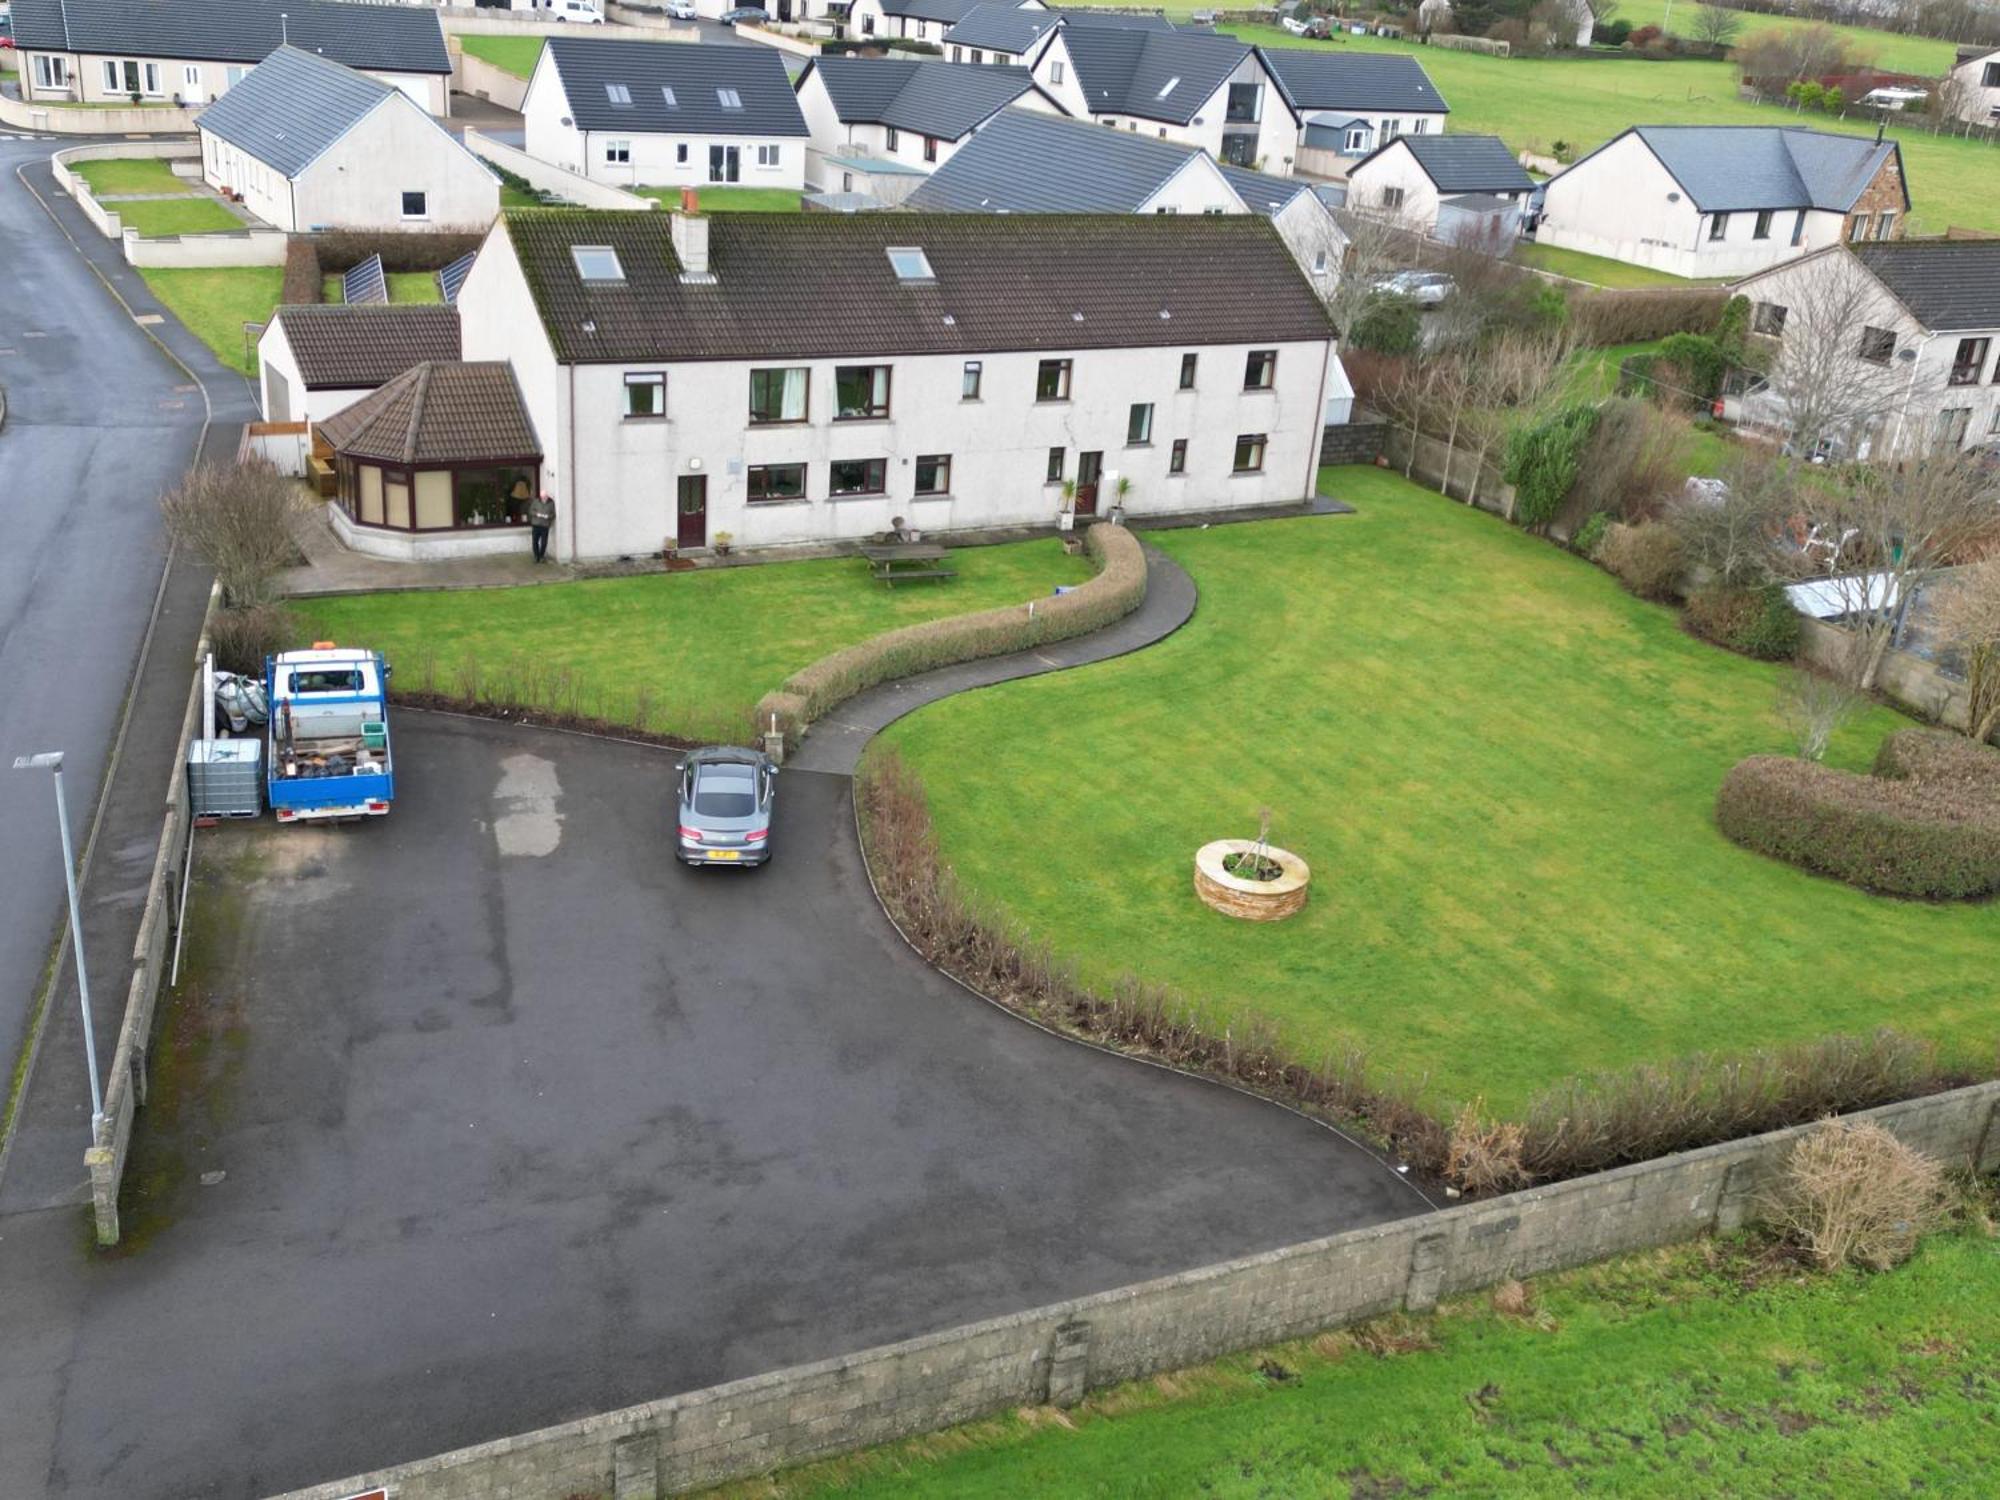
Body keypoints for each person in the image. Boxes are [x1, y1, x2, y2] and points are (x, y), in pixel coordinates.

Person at [528, 490, 556, 564]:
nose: (543, 498)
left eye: (545, 497)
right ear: (540, 496)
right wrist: (537, 514)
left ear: (547, 496)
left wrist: (548, 516)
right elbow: (531, 511)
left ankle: (541, 556)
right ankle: (536, 556)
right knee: (535, 541)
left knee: (544, 542)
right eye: (542, 497)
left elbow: (553, 514)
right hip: (536, 524)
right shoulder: (536, 501)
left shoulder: (551, 503)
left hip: (545, 525)